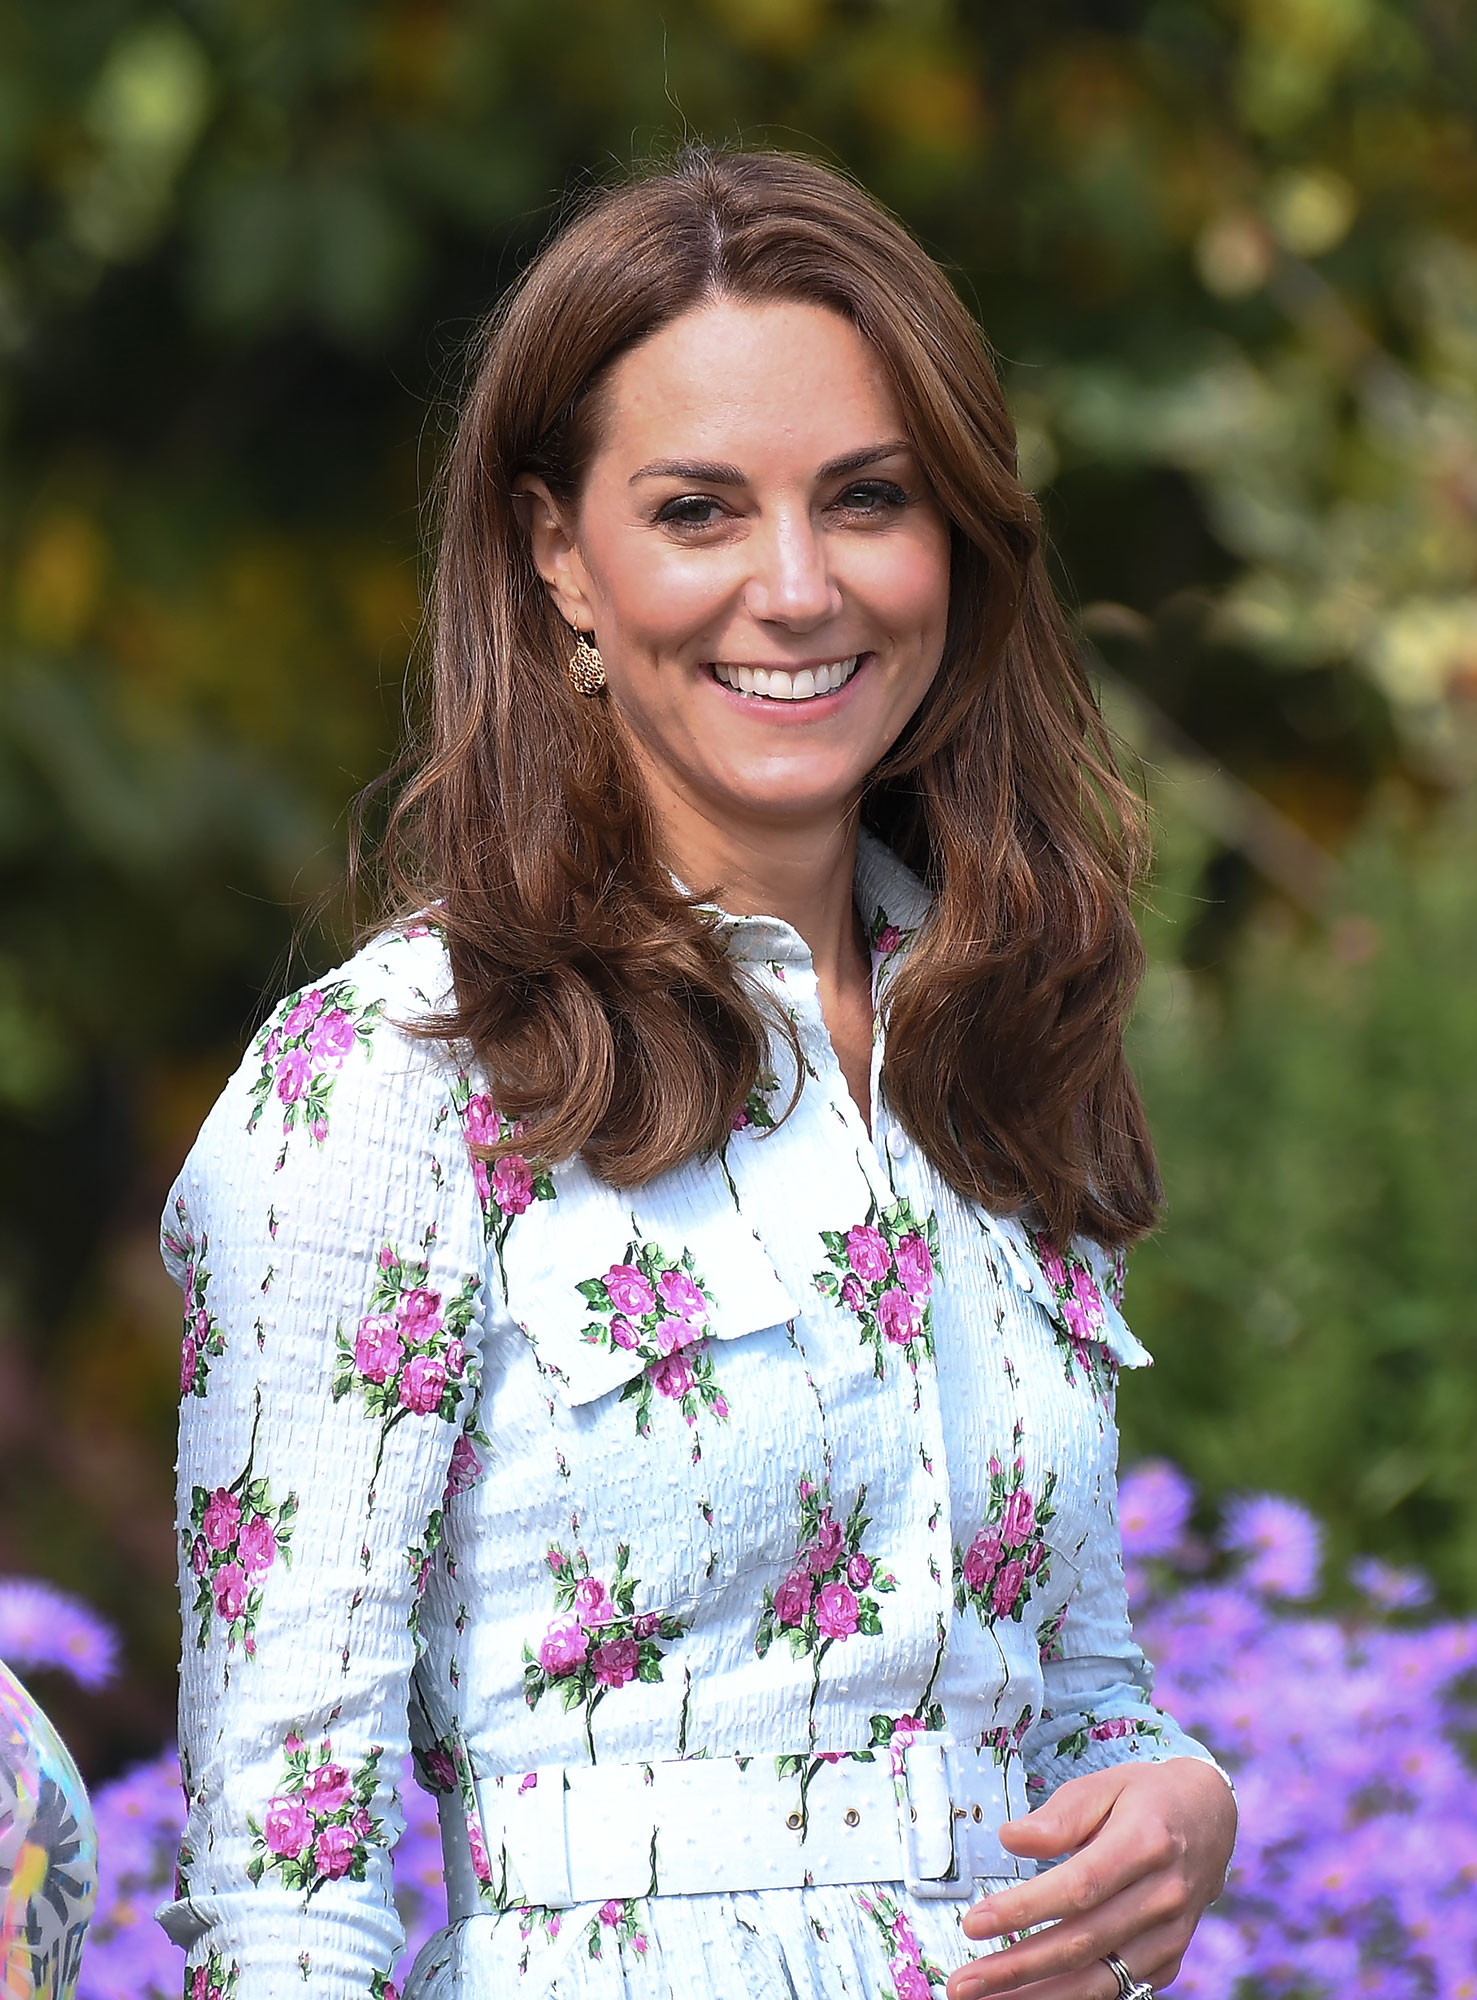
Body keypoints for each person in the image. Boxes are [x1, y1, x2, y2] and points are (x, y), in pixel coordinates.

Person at [158, 147, 1237, 2000]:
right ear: (558, 554)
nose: (797, 588)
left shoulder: (994, 1028)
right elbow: (281, 1879)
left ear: (955, 535)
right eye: (697, 511)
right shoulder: (389, 1081)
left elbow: (1059, 1682)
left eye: (867, 498)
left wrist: (1172, 1797)